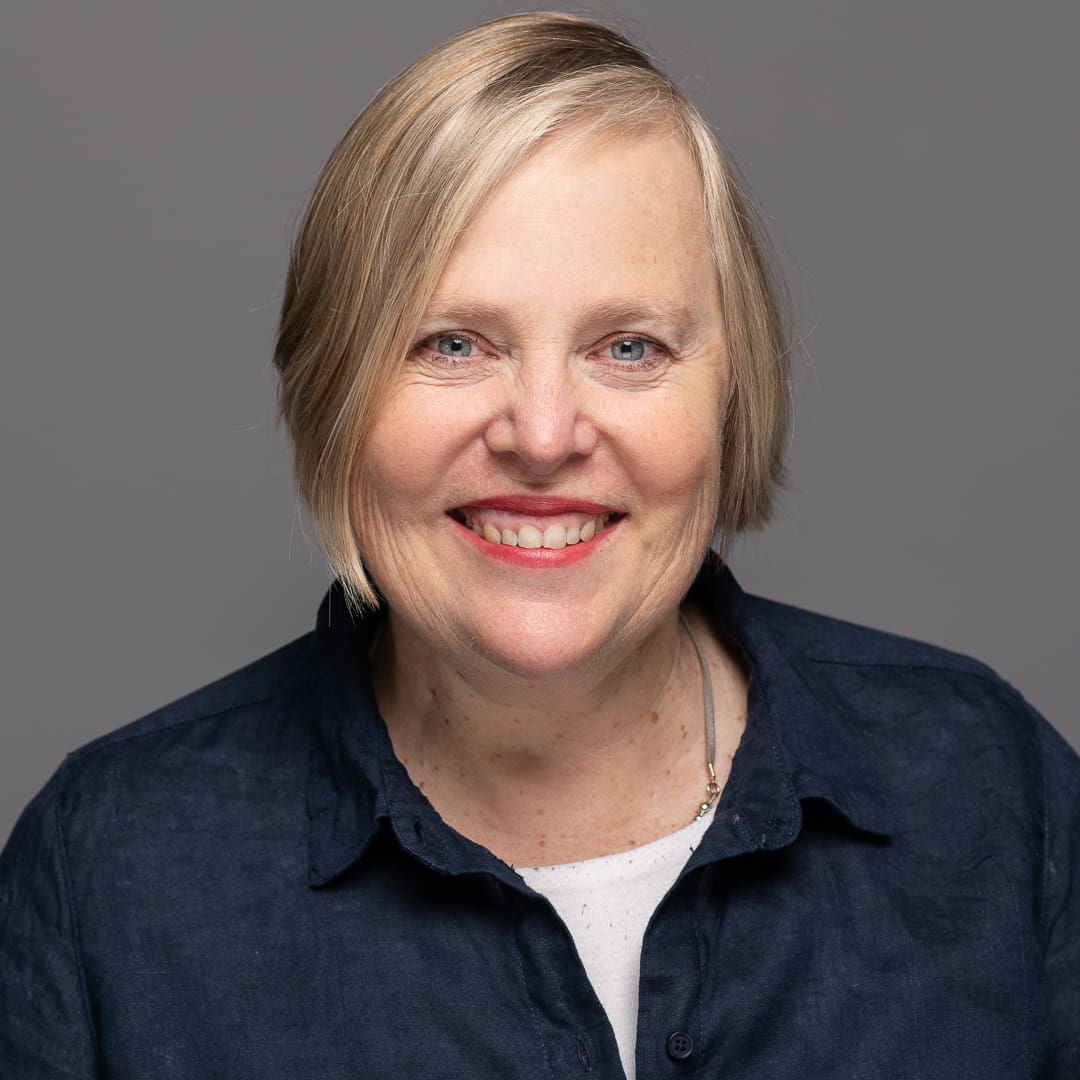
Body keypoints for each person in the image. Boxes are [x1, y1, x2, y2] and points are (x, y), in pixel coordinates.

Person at [1, 11, 1077, 1078]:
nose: (546, 435)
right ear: (330, 391)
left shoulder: (989, 790)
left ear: (732, 395)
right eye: (453, 344)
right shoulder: (107, 871)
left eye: (628, 346)